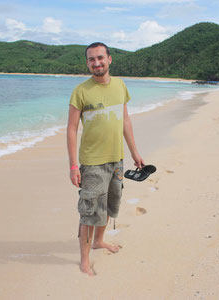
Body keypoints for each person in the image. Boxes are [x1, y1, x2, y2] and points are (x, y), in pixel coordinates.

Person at [66, 42, 144, 276]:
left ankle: (99, 241)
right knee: (90, 211)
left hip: (116, 160)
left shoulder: (120, 85)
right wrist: (72, 165)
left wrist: (134, 152)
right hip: (92, 162)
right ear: (87, 63)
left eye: (100, 57)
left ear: (109, 59)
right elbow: (71, 129)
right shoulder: (81, 91)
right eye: (91, 59)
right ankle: (85, 259)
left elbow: (125, 121)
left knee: (111, 204)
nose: (96, 63)